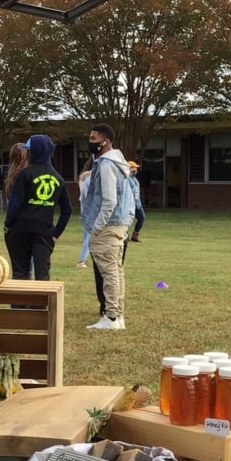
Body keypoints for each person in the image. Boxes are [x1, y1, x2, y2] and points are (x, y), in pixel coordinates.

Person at [81, 122, 133, 330]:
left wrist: (97, 227)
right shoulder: (118, 162)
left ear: (106, 141)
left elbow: (109, 200)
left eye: (94, 139)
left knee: (109, 272)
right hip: (118, 224)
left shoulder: (106, 164)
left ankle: (111, 317)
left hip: (107, 226)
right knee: (116, 271)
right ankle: (116, 315)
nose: (90, 142)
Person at [4, 134, 72, 283]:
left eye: (29, 150)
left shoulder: (25, 174)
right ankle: (41, 306)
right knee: (42, 274)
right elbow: (67, 210)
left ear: (34, 151)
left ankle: (20, 306)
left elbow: (15, 204)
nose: (27, 153)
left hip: (20, 230)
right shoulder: (59, 178)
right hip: (44, 232)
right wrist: (56, 234)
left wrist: (8, 225)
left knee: (20, 274)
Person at [76, 168, 91, 267]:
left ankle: (83, 259)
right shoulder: (89, 183)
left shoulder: (85, 184)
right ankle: (81, 261)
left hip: (85, 215)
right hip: (90, 215)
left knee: (87, 236)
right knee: (89, 237)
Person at [128, 161, 146, 242]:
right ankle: (124, 236)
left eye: (135, 168)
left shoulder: (135, 179)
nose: (135, 169)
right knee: (126, 220)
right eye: (133, 168)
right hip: (129, 204)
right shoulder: (126, 179)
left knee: (141, 218)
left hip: (137, 203)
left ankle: (135, 236)